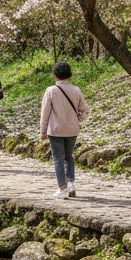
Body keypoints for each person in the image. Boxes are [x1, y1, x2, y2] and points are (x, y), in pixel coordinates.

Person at [40, 61, 90, 199]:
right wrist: (76, 120)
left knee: (58, 159)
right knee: (69, 157)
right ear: (69, 74)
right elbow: (85, 111)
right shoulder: (76, 90)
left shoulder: (51, 90)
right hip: (72, 130)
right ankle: (71, 183)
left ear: (55, 75)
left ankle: (62, 188)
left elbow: (45, 113)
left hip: (55, 130)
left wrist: (42, 130)